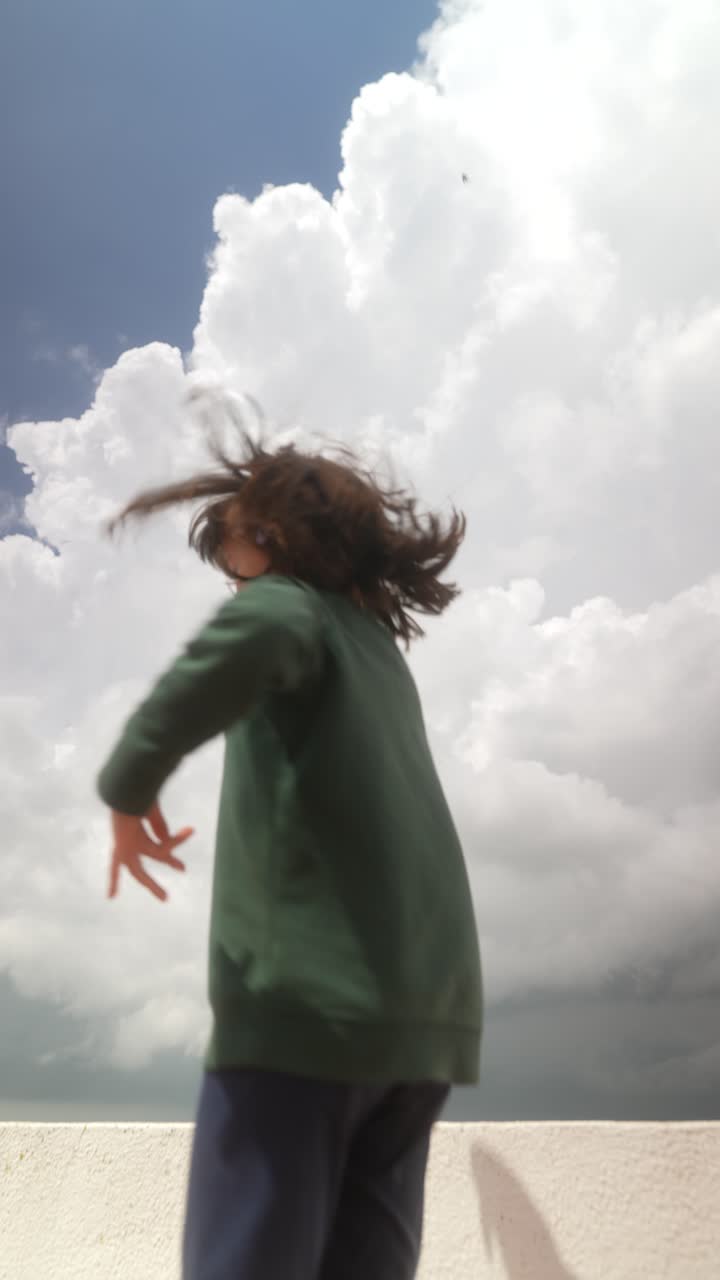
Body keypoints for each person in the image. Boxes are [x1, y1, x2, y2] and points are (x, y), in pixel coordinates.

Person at [97, 431, 483, 1280]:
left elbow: (200, 678)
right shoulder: (381, 653)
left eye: (236, 572)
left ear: (270, 539)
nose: (235, 591)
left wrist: (129, 790)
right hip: (423, 1027)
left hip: (304, 1013)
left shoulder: (285, 608)